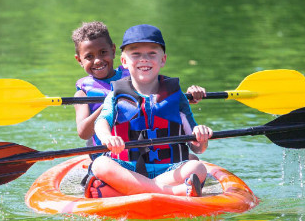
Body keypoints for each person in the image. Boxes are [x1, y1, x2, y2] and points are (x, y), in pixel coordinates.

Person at [84, 24, 213, 199]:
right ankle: (173, 192)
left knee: (197, 167)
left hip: (169, 168)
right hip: (126, 167)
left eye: (152, 53)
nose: (144, 59)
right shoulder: (116, 94)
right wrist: (107, 137)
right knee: (100, 164)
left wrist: (201, 136)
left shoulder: (176, 95)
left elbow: (198, 148)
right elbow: (101, 122)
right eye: (136, 54)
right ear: (124, 61)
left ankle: (117, 192)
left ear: (163, 60)